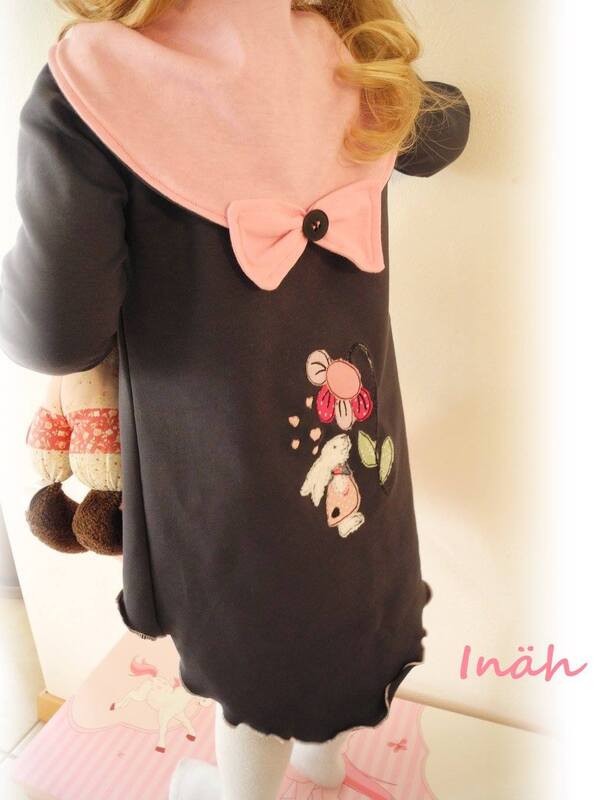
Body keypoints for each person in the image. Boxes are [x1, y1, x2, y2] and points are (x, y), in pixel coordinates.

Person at [0, 1, 470, 798]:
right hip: (353, 435)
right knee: (344, 602)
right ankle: (323, 767)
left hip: (220, 474)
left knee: (253, 656)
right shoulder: (349, 56)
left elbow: (55, 333)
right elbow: (447, 131)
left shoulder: (96, 82)